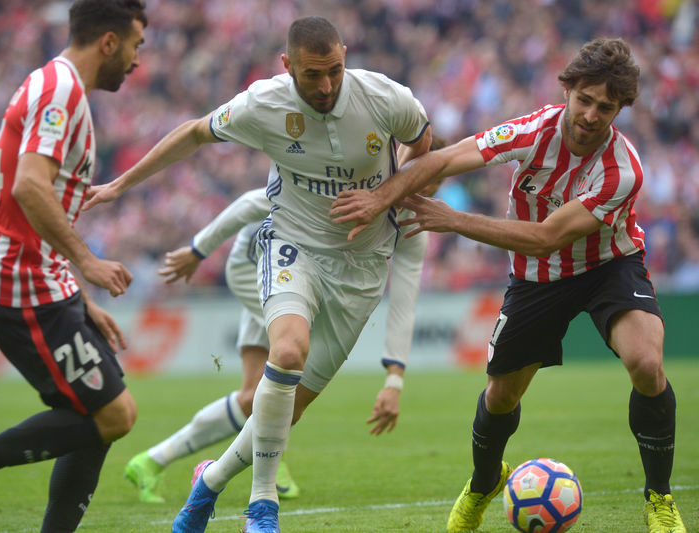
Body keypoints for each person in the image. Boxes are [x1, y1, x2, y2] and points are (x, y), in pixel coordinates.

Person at [83, 15, 431, 532]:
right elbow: (194, 134)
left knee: (281, 413)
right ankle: (261, 508)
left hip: (362, 271)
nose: (327, 85)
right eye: (312, 75)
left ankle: (207, 486)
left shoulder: (386, 97)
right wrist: (120, 185)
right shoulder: (264, 104)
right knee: (286, 353)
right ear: (286, 66)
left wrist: (386, 195)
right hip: (293, 246)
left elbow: (423, 146)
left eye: (335, 70)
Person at [330, 38, 685, 533]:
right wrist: (380, 198)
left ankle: (660, 498)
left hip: (610, 265)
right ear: (568, 91)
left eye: (605, 107)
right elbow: (447, 159)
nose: (590, 115)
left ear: (620, 109)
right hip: (539, 279)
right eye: (584, 100)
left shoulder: (622, 169)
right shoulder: (534, 130)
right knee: (500, 399)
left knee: (647, 363)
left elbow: (546, 237)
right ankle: (482, 484)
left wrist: (454, 220)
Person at [0, 2, 147, 532]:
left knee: (102, 413)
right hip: (19, 285)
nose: (138, 60)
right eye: (137, 44)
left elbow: (36, 199)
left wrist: (79, 293)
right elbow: (28, 185)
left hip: (42, 281)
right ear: (109, 42)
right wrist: (87, 262)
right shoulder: (61, 90)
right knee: (116, 414)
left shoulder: (54, 83)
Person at [124, 180, 430, 503]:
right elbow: (250, 203)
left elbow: (404, 300)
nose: (425, 191)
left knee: (254, 396)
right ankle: (268, 464)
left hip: (302, 276)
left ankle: (153, 461)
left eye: (433, 183)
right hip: (260, 265)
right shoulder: (356, 182)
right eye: (424, 176)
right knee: (288, 367)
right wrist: (199, 249)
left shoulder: (411, 224)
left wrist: (394, 379)